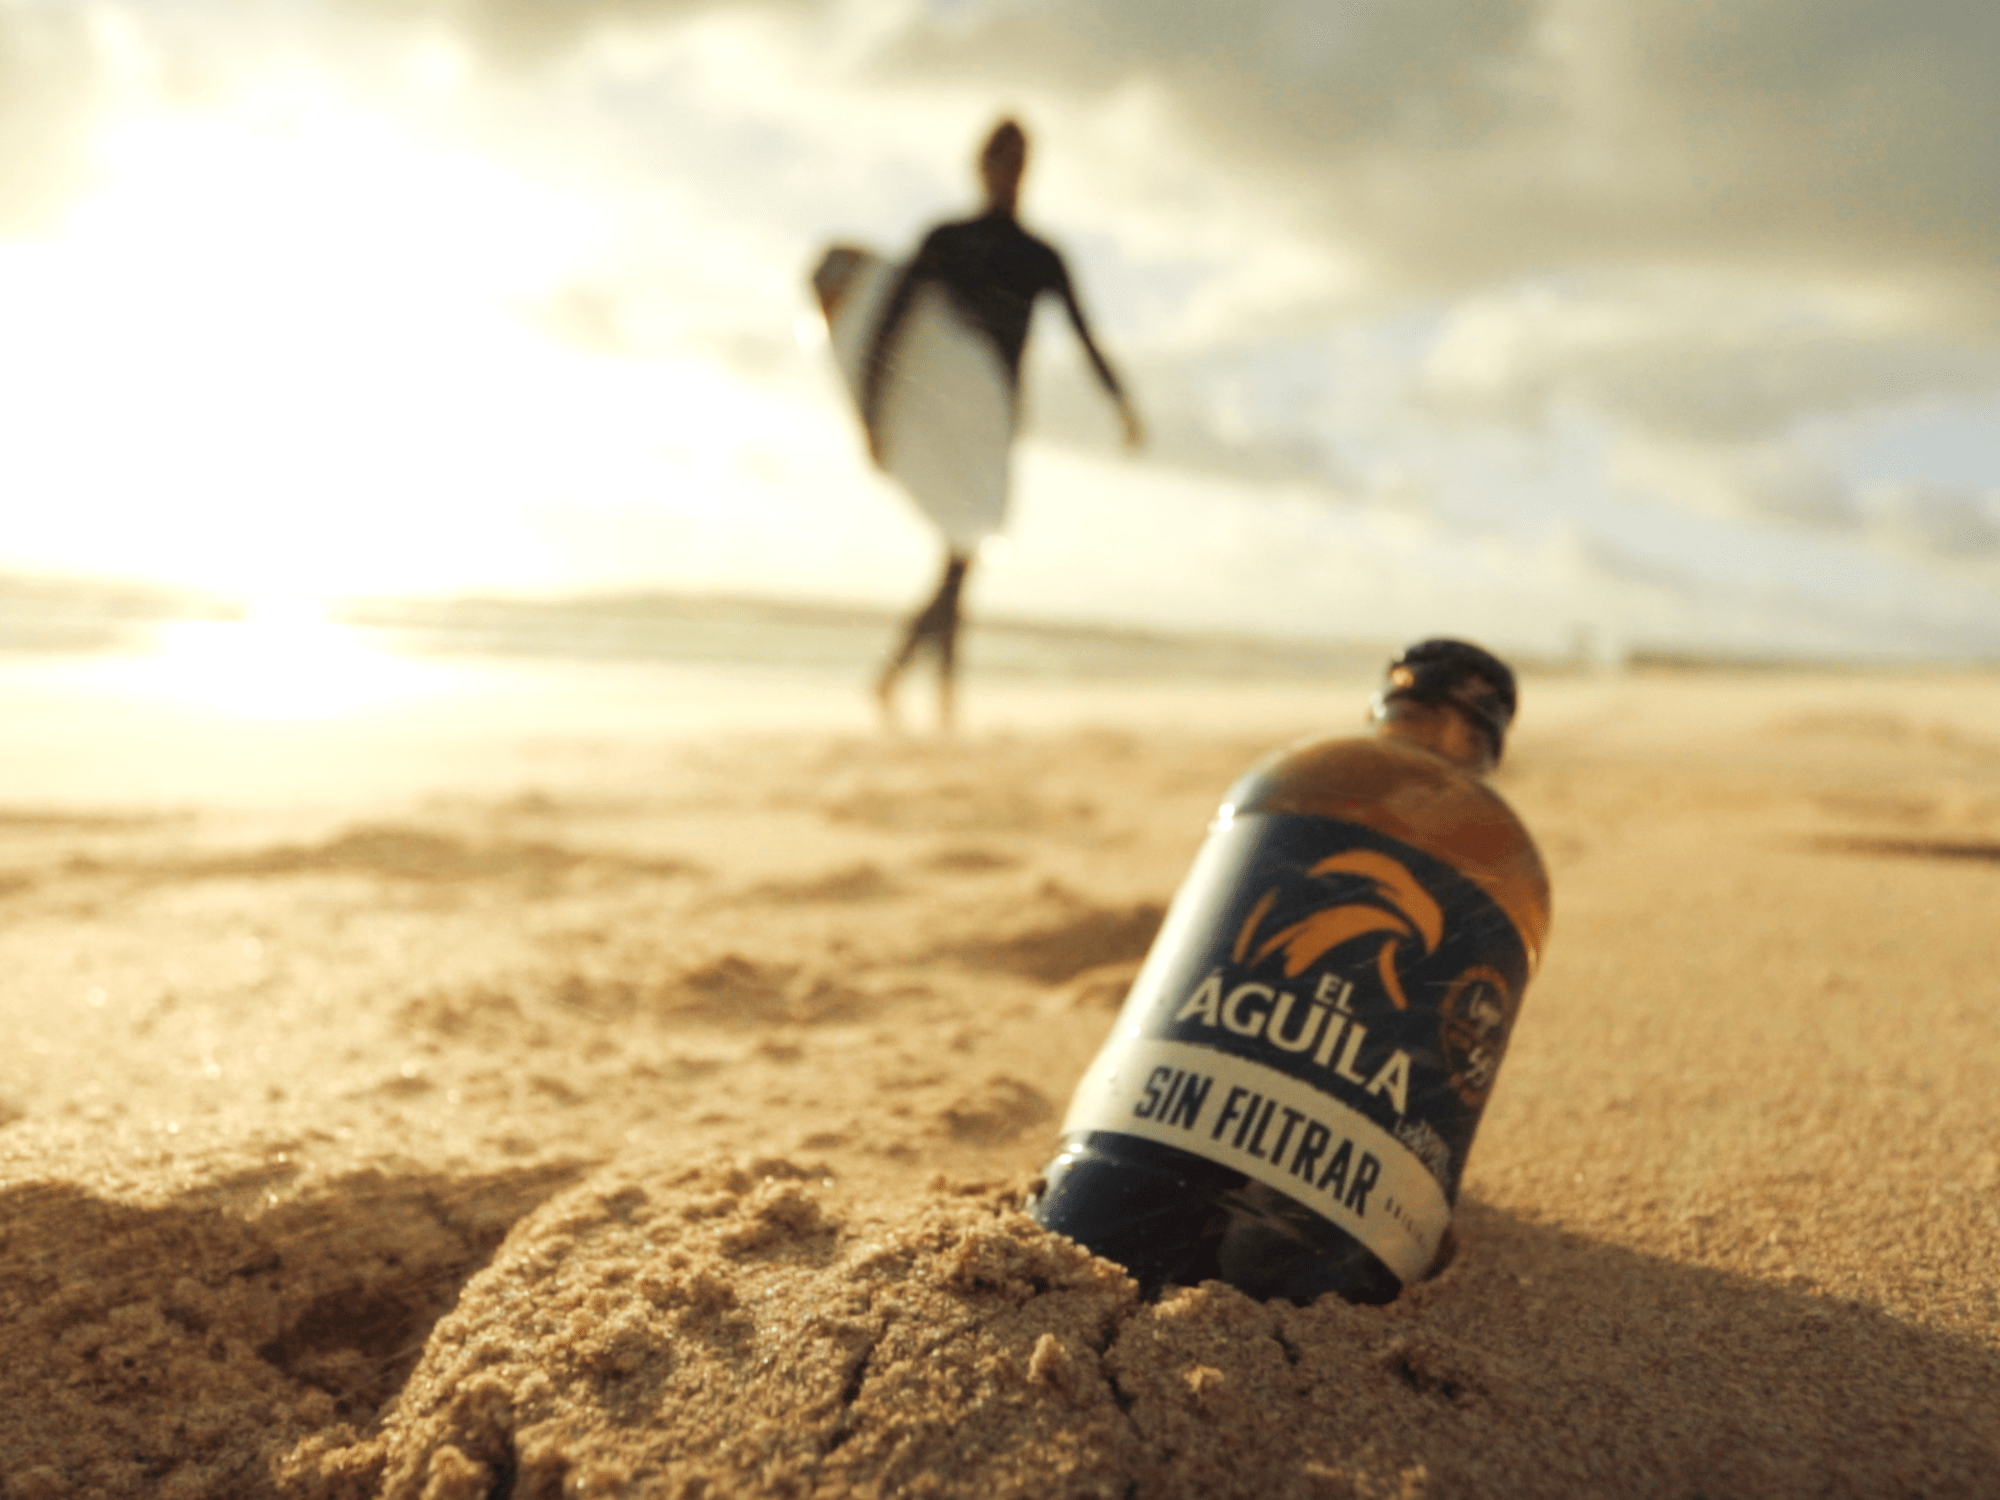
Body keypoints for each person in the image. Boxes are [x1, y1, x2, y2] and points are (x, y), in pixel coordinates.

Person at [860, 118, 1142, 731]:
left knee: (960, 558)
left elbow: (1085, 335)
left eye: (1016, 160)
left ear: (1025, 169)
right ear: (982, 165)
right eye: (1000, 158)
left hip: (996, 427)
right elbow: (889, 324)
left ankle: (913, 685)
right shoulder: (945, 239)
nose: (1007, 171)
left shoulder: (1041, 256)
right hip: (940, 424)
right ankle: (922, 690)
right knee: (961, 558)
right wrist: (870, 417)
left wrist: (1121, 402)